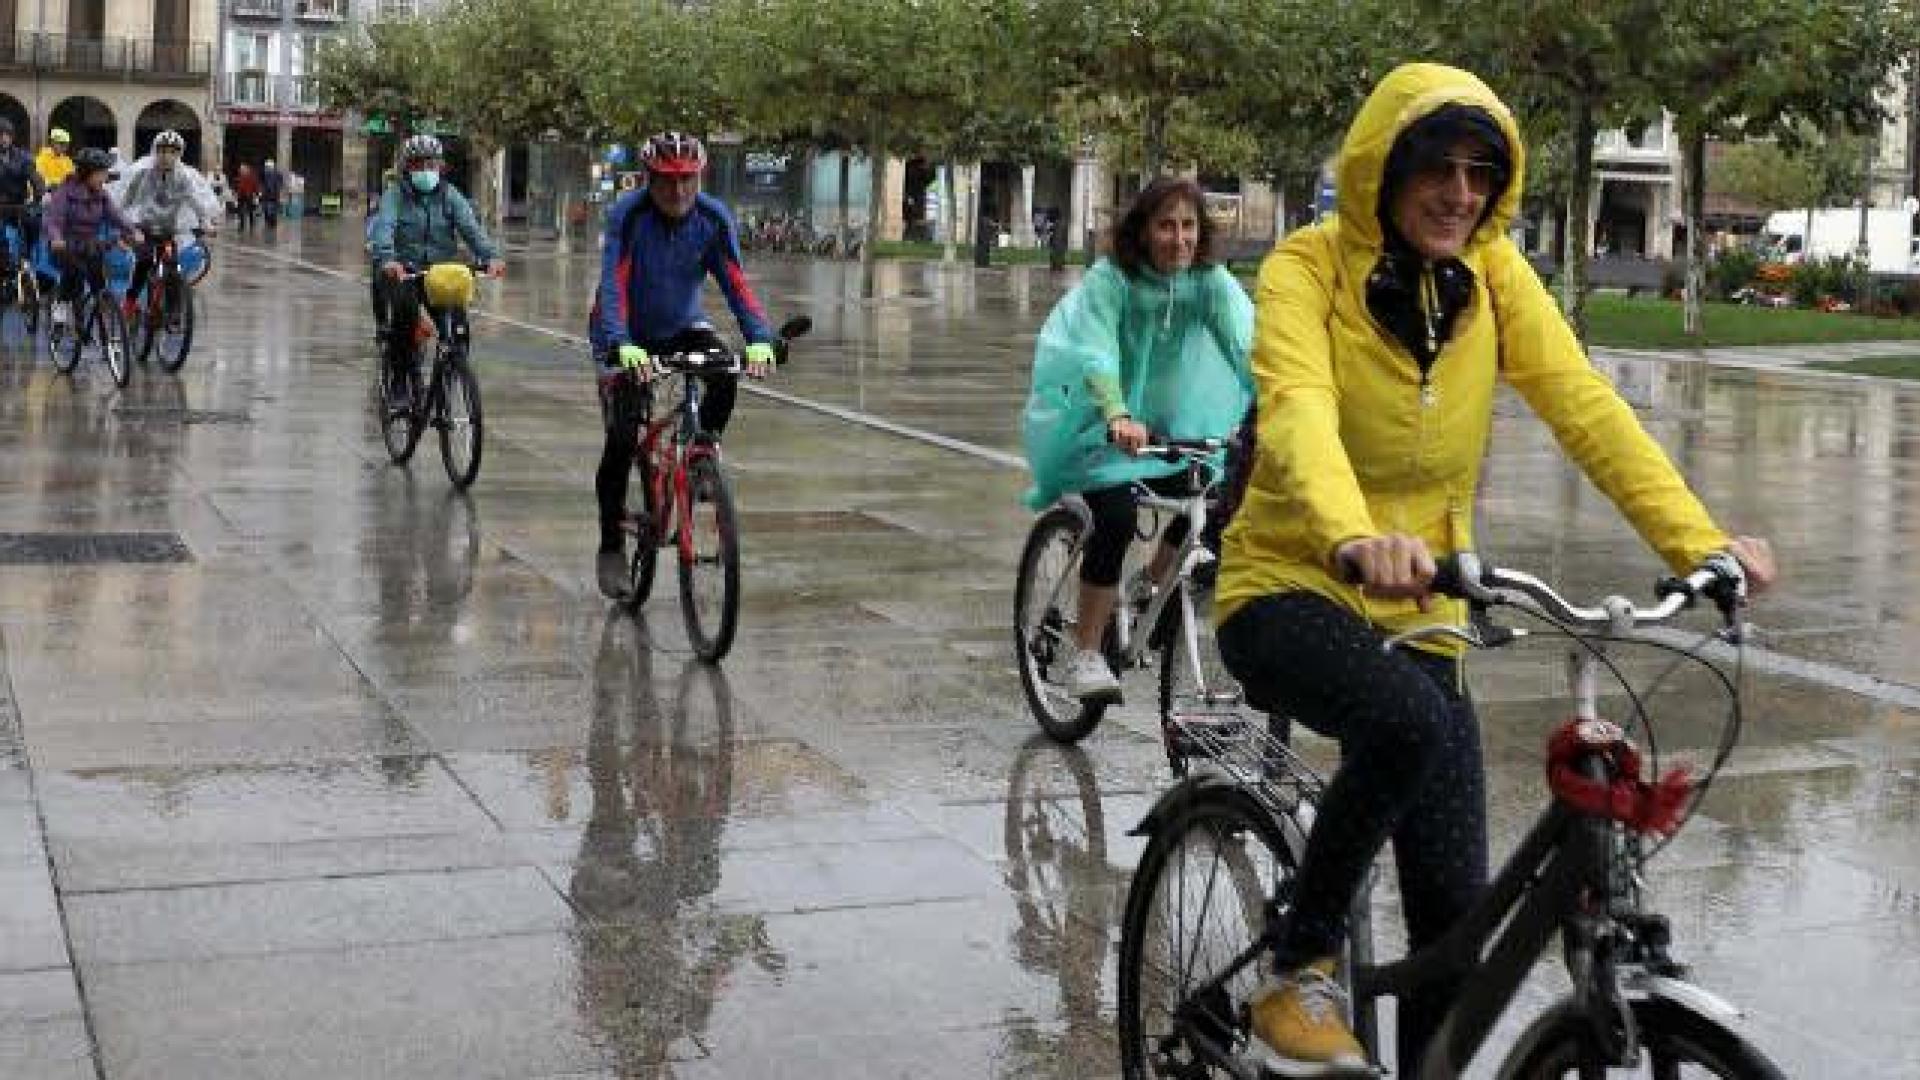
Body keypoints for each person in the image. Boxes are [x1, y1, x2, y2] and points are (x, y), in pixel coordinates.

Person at [1211, 62, 1779, 1076]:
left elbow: (1585, 406)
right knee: (1408, 722)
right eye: (1439, 165)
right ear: (1387, 166)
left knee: (1453, 928)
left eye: (1483, 171)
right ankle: (1299, 963)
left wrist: (1699, 543)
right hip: (1290, 582)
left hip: (1424, 608)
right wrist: (1350, 534)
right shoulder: (1306, 271)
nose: (1462, 192)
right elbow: (1296, 410)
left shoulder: (1495, 276)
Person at [1018, 176, 1253, 703]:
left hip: (1167, 429)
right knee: (1117, 516)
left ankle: (1150, 582)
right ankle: (1085, 652)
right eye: (1166, 225)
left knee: (1217, 500)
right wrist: (1117, 412)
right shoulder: (1112, 280)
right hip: (1100, 421)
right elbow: (1096, 349)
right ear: (1143, 231)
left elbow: (1249, 347)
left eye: (1188, 225)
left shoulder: (1209, 283)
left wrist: (1281, 407)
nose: (1179, 238)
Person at [588, 131, 775, 600]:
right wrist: (621, 344)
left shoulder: (713, 218)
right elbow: (614, 283)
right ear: (649, 179)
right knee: (622, 436)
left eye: (688, 181)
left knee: (724, 375)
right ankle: (611, 546)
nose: (679, 192)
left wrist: (760, 339)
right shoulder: (628, 216)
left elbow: (735, 282)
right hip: (624, 332)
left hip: (683, 323)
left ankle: (699, 465)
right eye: (668, 182)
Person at [367, 134, 504, 407]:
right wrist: (388, 259)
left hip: (439, 273)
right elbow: (384, 228)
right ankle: (400, 380)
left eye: (432, 164)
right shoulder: (395, 196)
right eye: (419, 165)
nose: (426, 171)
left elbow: (471, 229)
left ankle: (454, 372)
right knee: (405, 318)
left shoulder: (450, 195)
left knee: (458, 327)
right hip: (404, 272)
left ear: (440, 167)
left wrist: (490, 257)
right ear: (408, 168)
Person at [111, 130, 222, 316]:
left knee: (173, 268)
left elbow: (195, 202)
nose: (166, 157)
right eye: (162, 151)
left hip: (169, 231)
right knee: (144, 263)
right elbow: (126, 202)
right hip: (145, 229)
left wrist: (206, 223)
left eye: (172, 152)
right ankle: (130, 302)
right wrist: (122, 228)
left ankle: (173, 313)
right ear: (155, 152)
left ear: (178, 154)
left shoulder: (183, 178)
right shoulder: (143, 174)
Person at [43, 147, 141, 330]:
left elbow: (116, 216)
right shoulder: (65, 193)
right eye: (101, 173)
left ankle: (103, 323)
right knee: (74, 272)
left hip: (90, 245)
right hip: (65, 245)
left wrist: (132, 230)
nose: (105, 178)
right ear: (87, 173)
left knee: (99, 285)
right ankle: (62, 305)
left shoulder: (102, 195)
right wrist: (56, 238)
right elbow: (53, 220)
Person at [0, 119, 47, 288]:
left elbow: (35, 177)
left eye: (6, 135)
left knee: (34, 221)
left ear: (11, 137)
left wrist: (40, 196)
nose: (3, 138)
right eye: (0, 135)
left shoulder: (23, 157)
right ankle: (4, 264)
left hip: (18, 206)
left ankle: (24, 260)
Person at [234, 164, 259, 232]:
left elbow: (255, 185)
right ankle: (244, 225)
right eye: (241, 169)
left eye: (242, 169)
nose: (241, 170)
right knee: (242, 211)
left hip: (248, 195)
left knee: (249, 211)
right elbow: (239, 186)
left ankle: (249, 225)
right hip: (243, 195)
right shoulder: (242, 176)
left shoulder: (250, 176)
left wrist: (256, 194)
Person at [261, 157, 284, 231]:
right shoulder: (265, 174)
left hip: (272, 195)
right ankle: (271, 223)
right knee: (267, 210)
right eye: (266, 167)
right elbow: (262, 184)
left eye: (268, 167)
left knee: (271, 210)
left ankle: (272, 223)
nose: (266, 168)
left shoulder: (276, 174)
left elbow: (280, 184)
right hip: (268, 195)